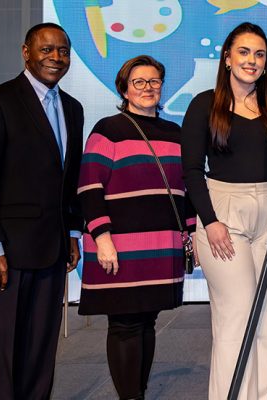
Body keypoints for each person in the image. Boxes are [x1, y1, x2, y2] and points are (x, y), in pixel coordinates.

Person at [0, 22, 84, 399]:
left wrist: (73, 233)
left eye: (62, 51)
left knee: (39, 350)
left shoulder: (73, 108)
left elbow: (70, 178)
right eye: (46, 50)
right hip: (5, 253)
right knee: (1, 352)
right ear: (26, 52)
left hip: (51, 249)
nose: (56, 58)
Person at [181, 22, 267, 400]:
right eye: (244, 52)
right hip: (223, 212)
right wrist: (210, 222)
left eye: (259, 54)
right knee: (236, 315)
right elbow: (191, 170)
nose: (252, 60)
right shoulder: (203, 104)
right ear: (227, 57)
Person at [77, 55, 194, 400]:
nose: (147, 88)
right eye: (139, 82)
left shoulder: (175, 132)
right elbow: (89, 187)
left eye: (154, 81)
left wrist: (192, 234)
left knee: (147, 321)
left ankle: (138, 392)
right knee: (125, 324)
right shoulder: (107, 130)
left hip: (162, 245)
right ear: (125, 89)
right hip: (120, 247)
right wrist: (102, 238)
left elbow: (183, 190)